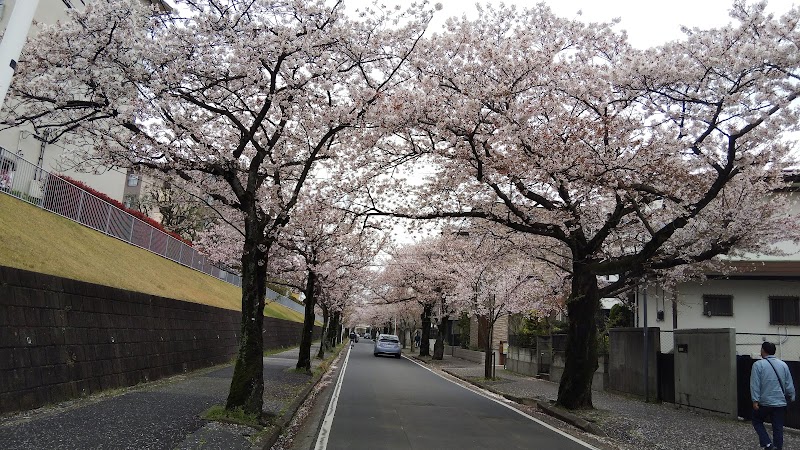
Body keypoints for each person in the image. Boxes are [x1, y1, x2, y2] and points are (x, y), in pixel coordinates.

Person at [751, 341, 795, 450]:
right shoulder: (783, 364)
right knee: (778, 428)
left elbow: (755, 384)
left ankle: (768, 444)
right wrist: (792, 396)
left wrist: (755, 400)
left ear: (763, 351)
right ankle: (777, 447)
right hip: (780, 402)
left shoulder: (758, 365)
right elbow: (789, 384)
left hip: (764, 402)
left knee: (756, 421)